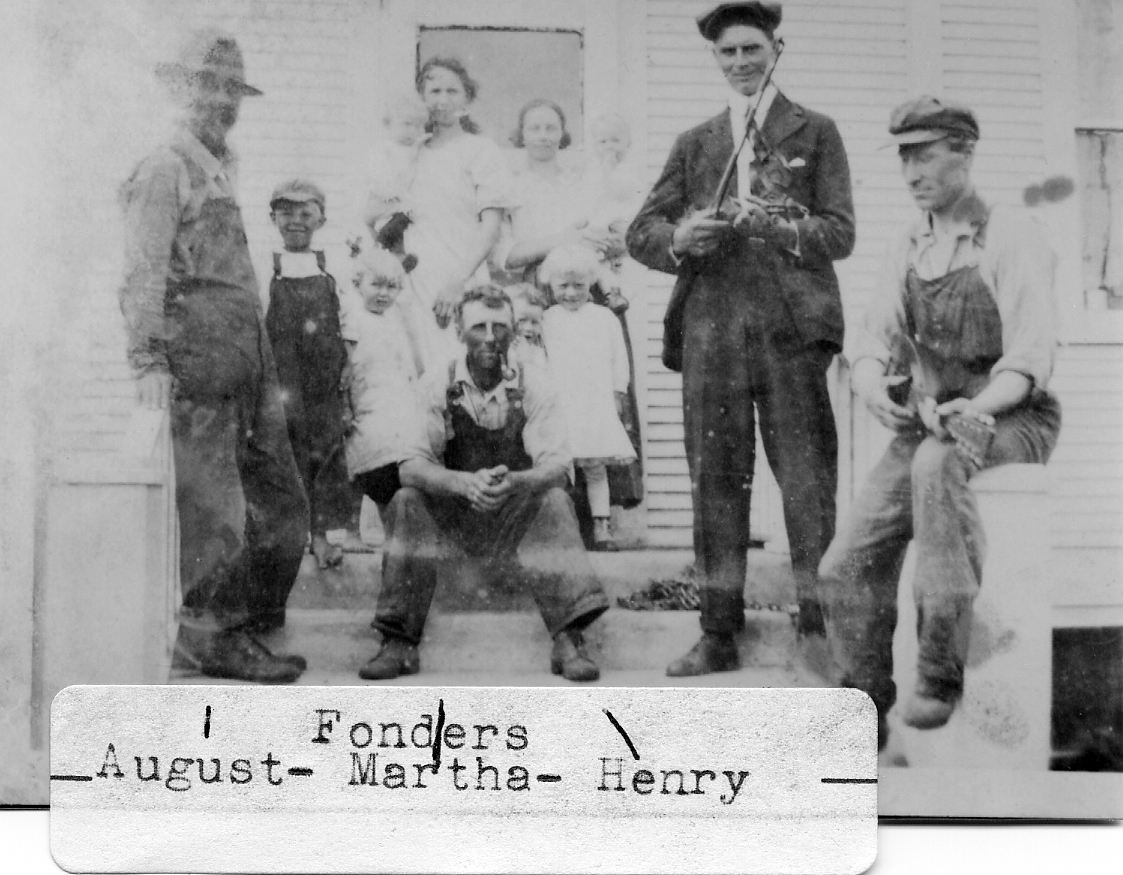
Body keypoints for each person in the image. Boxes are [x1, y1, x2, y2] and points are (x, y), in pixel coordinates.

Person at [819, 96, 1062, 746]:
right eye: (903, 157)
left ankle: (938, 671)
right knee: (842, 563)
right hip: (930, 420)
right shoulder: (908, 240)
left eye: (924, 154)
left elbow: (1031, 358)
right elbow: (872, 336)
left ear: (964, 152)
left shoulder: (1009, 233)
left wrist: (975, 407)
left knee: (936, 462)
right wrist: (871, 382)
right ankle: (861, 712)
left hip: (1011, 414)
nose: (910, 172)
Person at [626, 2, 855, 677]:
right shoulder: (696, 141)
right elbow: (642, 229)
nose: (739, 63)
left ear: (774, 47)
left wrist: (778, 228)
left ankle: (817, 626)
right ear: (715, 59)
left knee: (805, 481)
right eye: (726, 53)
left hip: (790, 331)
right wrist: (679, 236)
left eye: (750, 49)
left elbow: (839, 232)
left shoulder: (814, 131)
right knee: (715, 480)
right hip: (712, 328)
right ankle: (717, 631)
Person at [118, 29, 307, 683]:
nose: (221, 100)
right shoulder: (164, 167)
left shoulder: (223, 166)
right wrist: (149, 362)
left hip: (249, 364)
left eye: (231, 88)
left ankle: (244, 630)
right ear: (180, 90)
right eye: (209, 85)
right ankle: (209, 638)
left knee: (283, 504)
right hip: (200, 365)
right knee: (216, 512)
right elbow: (143, 273)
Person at [359, 284, 611, 682]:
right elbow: (410, 466)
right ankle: (398, 642)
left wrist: (517, 481)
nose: (490, 338)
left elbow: (558, 465)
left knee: (556, 500)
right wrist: (461, 483)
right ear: (459, 331)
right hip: (452, 521)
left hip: (514, 518)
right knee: (407, 498)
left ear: (513, 331)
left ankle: (568, 639)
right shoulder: (436, 382)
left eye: (500, 327)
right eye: (479, 326)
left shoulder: (534, 382)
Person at [498, 98, 645, 525]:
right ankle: (537, 512)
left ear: (563, 135)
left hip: (583, 292)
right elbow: (508, 255)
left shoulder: (582, 180)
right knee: (542, 394)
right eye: (534, 128)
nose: (543, 136)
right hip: (538, 295)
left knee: (595, 396)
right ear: (521, 135)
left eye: (551, 128)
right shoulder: (511, 186)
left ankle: (593, 517)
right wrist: (564, 237)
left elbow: (613, 228)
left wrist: (613, 239)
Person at [265, 179, 352, 573]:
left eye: (306, 213)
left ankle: (323, 534)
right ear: (273, 218)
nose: (296, 221)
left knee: (328, 448)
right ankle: (293, 533)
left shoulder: (334, 265)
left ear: (322, 218)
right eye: (286, 212)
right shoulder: (265, 263)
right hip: (283, 376)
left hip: (324, 374)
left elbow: (349, 319)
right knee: (288, 447)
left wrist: (348, 366)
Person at [403, 56, 511, 366]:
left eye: (452, 92)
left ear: (467, 97)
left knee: (461, 366)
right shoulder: (411, 152)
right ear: (422, 98)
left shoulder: (480, 151)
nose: (443, 100)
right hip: (414, 281)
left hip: (461, 277)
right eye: (434, 91)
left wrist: (457, 283)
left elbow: (490, 230)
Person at [539, 245, 637, 551]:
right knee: (561, 466)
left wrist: (618, 391)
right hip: (561, 402)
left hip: (594, 402)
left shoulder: (603, 318)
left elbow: (619, 358)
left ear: (590, 284)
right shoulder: (547, 319)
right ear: (551, 285)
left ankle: (601, 526)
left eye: (579, 286)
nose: (571, 293)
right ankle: (563, 530)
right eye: (563, 286)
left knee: (595, 467)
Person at [343, 248, 423, 513]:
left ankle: (391, 525)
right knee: (361, 463)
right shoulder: (353, 317)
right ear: (358, 284)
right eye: (375, 285)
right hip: (365, 399)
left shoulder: (395, 318)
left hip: (394, 402)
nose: (382, 293)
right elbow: (345, 363)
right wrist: (343, 402)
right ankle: (351, 529)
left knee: (392, 465)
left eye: (391, 287)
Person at [359, 91, 430, 272]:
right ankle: (377, 254)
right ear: (388, 124)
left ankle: (399, 259)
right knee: (389, 229)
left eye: (418, 126)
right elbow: (377, 176)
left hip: (403, 204)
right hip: (386, 200)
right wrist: (392, 193)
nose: (412, 131)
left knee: (401, 229)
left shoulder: (414, 150)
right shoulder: (384, 149)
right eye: (406, 124)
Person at [506, 282, 549, 371]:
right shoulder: (501, 352)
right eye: (521, 320)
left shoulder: (539, 355)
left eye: (535, 322)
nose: (529, 328)